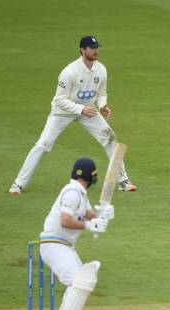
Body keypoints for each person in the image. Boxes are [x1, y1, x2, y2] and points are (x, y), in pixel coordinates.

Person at [9, 35, 137, 195]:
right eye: (91, 48)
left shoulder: (101, 69)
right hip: (63, 112)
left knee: (110, 138)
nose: (95, 51)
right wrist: (80, 109)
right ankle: (18, 184)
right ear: (82, 50)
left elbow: (102, 92)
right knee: (43, 144)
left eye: (96, 47)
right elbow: (59, 100)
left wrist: (103, 105)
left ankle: (123, 181)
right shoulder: (69, 72)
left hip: (88, 111)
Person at [40, 157, 114, 310]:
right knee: (79, 281)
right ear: (92, 176)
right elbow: (65, 220)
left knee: (81, 279)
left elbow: (90, 215)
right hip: (54, 244)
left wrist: (104, 215)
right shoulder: (72, 192)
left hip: (62, 245)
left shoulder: (80, 193)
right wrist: (90, 226)